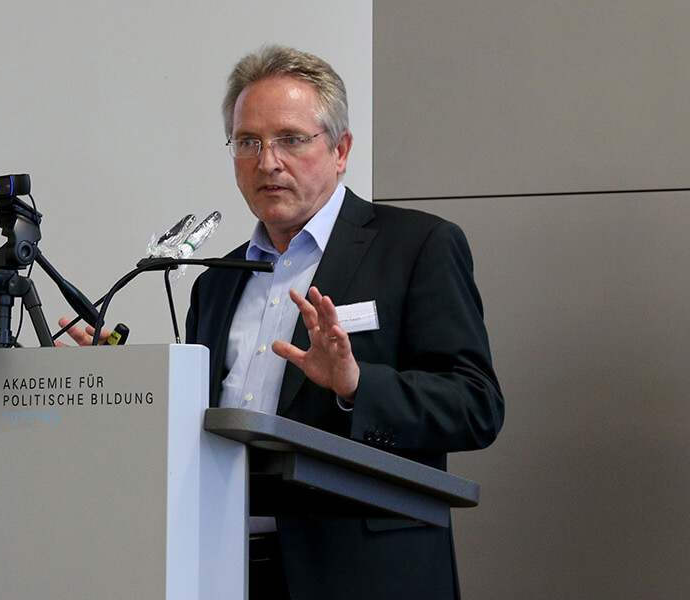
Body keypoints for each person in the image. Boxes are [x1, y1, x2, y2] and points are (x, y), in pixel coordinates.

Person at [65, 45, 503, 599]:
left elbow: (476, 405)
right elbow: (201, 428)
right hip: (224, 567)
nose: (267, 162)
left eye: (291, 140)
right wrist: (126, 383)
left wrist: (355, 384)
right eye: (248, 142)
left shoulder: (417, 246)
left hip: (362, 574)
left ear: (340, 150)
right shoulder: (217, 281)